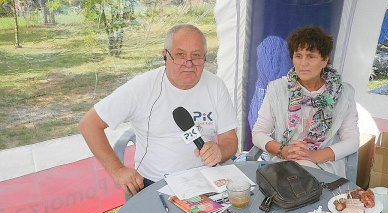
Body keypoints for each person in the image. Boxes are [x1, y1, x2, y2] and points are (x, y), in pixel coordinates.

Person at [79, 24, 239, 197]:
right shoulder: (142, 87)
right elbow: (89, 124)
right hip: (157, 186)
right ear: (165, 56)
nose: (189, 63)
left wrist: (220, 151)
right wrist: (118, 171)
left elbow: (230, 140)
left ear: (205, 58)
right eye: (180, 55)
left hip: (207, 180)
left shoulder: (215, 86)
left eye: (196, 55)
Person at [252, 25, 359, 178]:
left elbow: (352, 140)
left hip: (325, 166)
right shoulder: (277, 89)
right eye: (298, 56)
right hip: (283, 162)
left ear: (325, 60)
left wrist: (313, 156)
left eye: (311, 56)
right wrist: (284, 150)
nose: (303, 63)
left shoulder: (343, 94)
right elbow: (258, 133)